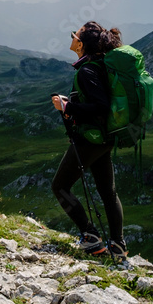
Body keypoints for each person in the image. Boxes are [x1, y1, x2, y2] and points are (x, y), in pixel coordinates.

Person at [50, 21, 127, 258]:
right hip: (105, 138)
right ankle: (117, 245)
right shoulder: (101, 65)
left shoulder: (87, 70)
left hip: (91, 139)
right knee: (108, 192)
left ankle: (90, 236)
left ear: (81, 44)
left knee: (60, 186)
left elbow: (100, 106)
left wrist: (67, 106)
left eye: (75, 35)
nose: (72, 37)